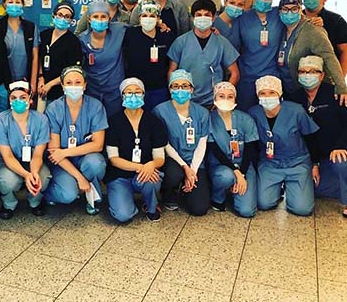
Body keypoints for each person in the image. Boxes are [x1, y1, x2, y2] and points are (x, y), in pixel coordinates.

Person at [286, 56, 347, 218]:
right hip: (326, 155)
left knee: (341, 160)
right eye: (303, 71)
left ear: (321, 75)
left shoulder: (338, 94)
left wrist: (340, 146)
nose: (307, 75)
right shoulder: (296, 98)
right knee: (315, 189)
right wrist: (314, 163)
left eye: (313, 71)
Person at [248, 75, 319, 216]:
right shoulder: (254, 113)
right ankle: (277, 189)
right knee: (264, 203)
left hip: (297, 163)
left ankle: (293, 188)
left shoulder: (296, 111)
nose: (267, 97)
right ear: (257, 95)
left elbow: (311, 138)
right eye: (263, 93)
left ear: (279, 93)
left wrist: (315, 164)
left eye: (272, 92)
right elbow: (253, 144)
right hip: (270, 163)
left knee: (302, 209)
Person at [44, 66, 108, 214]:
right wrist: (80, 178)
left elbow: (98, 145)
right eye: (69, 83)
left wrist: (64, 152)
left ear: (85, 85)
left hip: (83, 158)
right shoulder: (53, 109)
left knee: (96, 163)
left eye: (78, 82)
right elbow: (54, 152)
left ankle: (91, 197)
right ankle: (49, 193)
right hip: (62, 163)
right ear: (62, 86)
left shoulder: (95, 107)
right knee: (68, 195)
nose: (73, 86)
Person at [105, 77, 166, 222]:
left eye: (137, 92)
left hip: (146, 173)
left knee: (152, 180)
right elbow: (114, 159)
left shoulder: (154, 121)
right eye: (128, 92)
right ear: (122, 96)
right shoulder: (114, 122)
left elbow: (160, 157)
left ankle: (152, 206)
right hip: (120, 175)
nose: (133, 96)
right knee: (123, 215)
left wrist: (151, 165)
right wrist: (140, 167)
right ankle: (124, 198)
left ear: (143, 95)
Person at [153, 70, 210, 216]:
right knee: (173, 174)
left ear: (191, 89)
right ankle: (169, 195)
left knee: (199, 209)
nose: (180, 89)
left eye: (185, 86)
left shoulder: (202, 113)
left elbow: (202, 143)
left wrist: (193, 171)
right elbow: (164, 143)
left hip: (196, 162)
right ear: (170, 89)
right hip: (173, 160)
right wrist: (185, 167)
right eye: (176, 86)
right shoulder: (160, 111)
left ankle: (186, 190)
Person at [276, 0, 347, 103]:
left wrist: (341, 86)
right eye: (285, 9)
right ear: (280, 11)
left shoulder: (312, 30)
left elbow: (329, 57)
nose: (289, 13)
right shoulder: (281, 29)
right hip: (289, 91)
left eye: (294, 9)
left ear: (300, 10)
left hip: (310, 92)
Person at [0, 81, 52, 219]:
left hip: (33, 160)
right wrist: (26, 175)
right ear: (9, 100)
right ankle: (8, 203)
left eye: (23, 97)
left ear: (30, 99)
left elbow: (38, 155)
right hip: (7, 162)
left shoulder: (41, 120)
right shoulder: (0, 120)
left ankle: (35, 201)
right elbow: (7, 156)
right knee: (7, 180)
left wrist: (34, 173)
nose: (18, 101)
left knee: (43, 177)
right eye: (13, 98)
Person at [168, 0, 239, 108]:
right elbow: (171, 71)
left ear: (213, 17)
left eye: (207, 15)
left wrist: (222, 97)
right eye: (198, 15)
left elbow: (235, 73)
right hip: (186, 99)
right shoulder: (181, 42)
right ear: (193, 18)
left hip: (211, 101)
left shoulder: (221, 42)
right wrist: (177, 95)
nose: (202, 18)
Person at [207, 82, 259, 217]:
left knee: (247, 211)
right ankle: (218, 198)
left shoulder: (245, 119)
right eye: (221, 96)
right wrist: (236, 174)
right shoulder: (209, 119)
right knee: (226, 176)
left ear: (235, 98)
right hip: (221, 166)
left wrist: (242, 174)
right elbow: (215, 151)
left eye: (230, 96)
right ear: (214, 98)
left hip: (244, 165)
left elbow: (250, 150)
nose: (225, 99)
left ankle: (235, 190)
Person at [231, 0, 283, 110]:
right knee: (246, 112)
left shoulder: (278, 15)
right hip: (247, 74)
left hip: (271, 74)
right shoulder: (242, 18)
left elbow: (297, 15)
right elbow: (233, 47)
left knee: (269, 112)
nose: (264, 1)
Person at [122, 2, 175, 110]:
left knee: (159, 116)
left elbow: (171, 62)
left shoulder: (165, 34)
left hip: (159, 88)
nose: (148, 19)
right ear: (139, 18)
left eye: (152, 16)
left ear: (158, 18)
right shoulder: (131, 34)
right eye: (144, 15)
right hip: (135, 88)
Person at [79, 0, 127, 116]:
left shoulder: (120, 30)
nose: (99, 20)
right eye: (95, 16)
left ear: (109, 19)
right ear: (89, 19)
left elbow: (140, 30)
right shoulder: (82, 40)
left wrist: (159, 24)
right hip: (92, 89)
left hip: (114, 90)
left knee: (114, 121)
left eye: (103, 16)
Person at [303, 0, 347, 76]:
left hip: (327, 76)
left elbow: (346, 51)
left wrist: (340, 79)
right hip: (298, 75)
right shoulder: (296, 19)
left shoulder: (336, 20)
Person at [0, 0, 40, 95]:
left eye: (17, 2)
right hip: (4, 81)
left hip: (26, 80)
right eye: (11, 2)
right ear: (4, 4)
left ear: (23, 5)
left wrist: (33, 83)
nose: (14, 5)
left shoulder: (30, 27)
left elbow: (35, 57)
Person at [38, 2, 83, 103]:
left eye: (67, 16)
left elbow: (72, 70)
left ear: (71, 20)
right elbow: (38, 57)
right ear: (54, 15)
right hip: (41, 86)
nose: (62, 18)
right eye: (60, 15)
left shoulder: (73, 42)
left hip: (60, 90)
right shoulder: (44, 35)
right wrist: (40, 78)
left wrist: (50, 84)